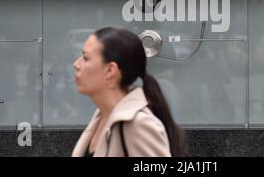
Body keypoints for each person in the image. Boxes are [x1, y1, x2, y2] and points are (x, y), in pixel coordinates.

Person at [71, 27, 187, 157]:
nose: (76, 64)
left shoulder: (138, 125)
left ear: (110, 70)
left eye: (86, 58)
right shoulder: (102, 116)